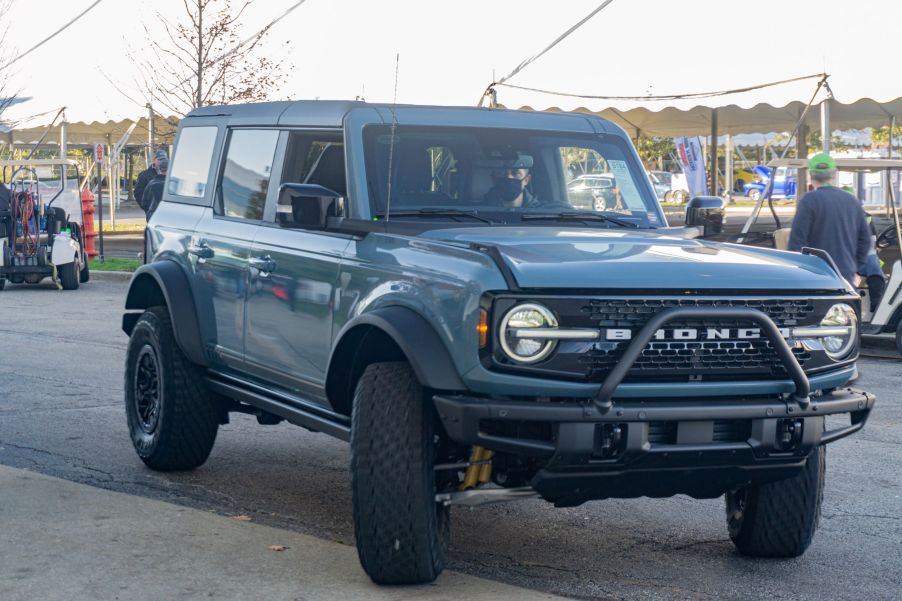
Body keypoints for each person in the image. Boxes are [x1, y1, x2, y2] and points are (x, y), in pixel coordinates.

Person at [788, 153, 871, 287]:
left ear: (811, 174)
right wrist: (856, 267)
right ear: (833, 174)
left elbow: (797, 242)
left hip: (815, 273)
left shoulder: (808, 201)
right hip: (845, 273)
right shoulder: (852, 200)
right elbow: (865, 241)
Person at [135, 149, 167, 215]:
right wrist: (147, 208)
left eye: (164, 159)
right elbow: (138, 193)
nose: (161, 162)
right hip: (152, 211)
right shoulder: (144, 175)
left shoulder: (171, 175)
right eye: (159, 159)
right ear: (154, 160)